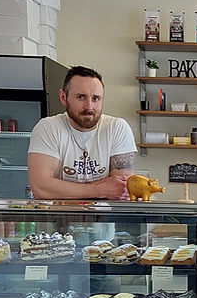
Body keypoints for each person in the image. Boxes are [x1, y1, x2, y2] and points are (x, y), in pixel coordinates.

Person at [27, 66, 136, 199]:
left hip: (104, 214)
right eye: (81, 97)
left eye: (95, 98)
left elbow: (121, 188)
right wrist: (102, 189)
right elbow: (41, 189)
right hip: (59, 213)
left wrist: (61, 188)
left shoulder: (117, 128)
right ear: (63, 97)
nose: (89, 106)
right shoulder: (48, 128)